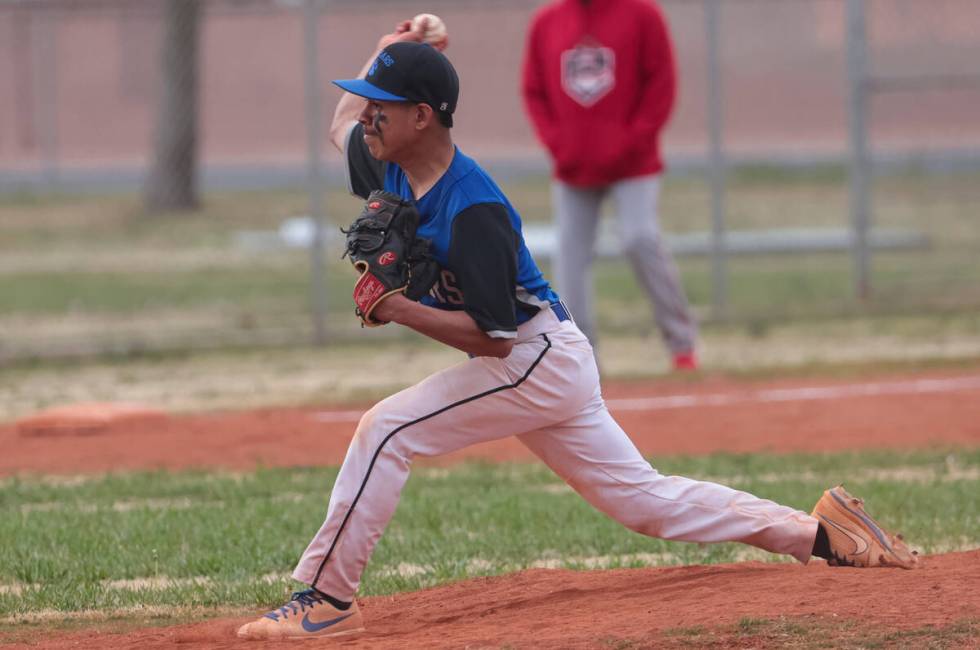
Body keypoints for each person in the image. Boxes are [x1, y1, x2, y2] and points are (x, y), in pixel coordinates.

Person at [235, 23, 918, 642]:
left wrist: (398, 308)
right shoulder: (389, 159)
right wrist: (390, 42)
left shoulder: (475, 210)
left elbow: (493, 340)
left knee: (387, 430)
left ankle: (327, 599)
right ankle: (822, 535)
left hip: (530, 357)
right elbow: (340, 123)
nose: (367, 113)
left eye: (382, 101)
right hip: (550, 361)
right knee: (646, 503)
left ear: (422, 117)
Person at [521, 0, 699, 371]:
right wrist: (558, 143)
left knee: (639, 237)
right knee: (569, 258)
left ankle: (682, 344)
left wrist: (633, 140)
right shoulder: (547, 21)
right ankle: (583, 358)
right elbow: (534, 90)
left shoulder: (643, 14)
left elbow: (661, 85)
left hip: (634, 161)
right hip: (573, 165)